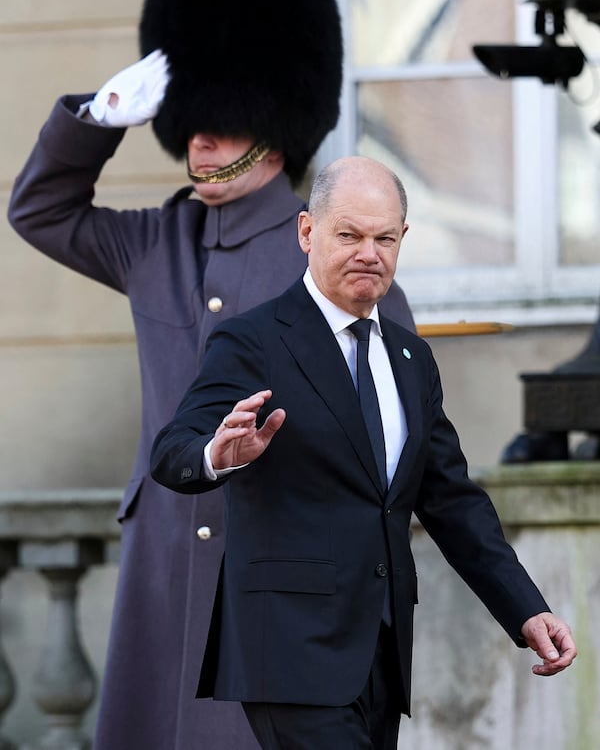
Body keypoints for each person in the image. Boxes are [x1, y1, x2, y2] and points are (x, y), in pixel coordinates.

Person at [7, 0, 414, 750]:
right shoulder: (156, 243)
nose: (197, 138)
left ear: (272, 121)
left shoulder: (330, 251)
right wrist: (100, 116)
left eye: (218, 119)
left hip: (278, 592)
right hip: (164, 574)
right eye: (191, 115)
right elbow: (38, 210)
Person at [151, 156, 577, 750]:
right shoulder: (252, 340)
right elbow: (171, 451)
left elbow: (451, 498)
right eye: (348, 235)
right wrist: (219, 453)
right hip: (288, 648)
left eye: (384, 238)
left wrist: (526, 609)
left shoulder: (410, 357)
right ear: (307, 233)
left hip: (380, 647)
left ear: (404, 240)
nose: (368, 253)